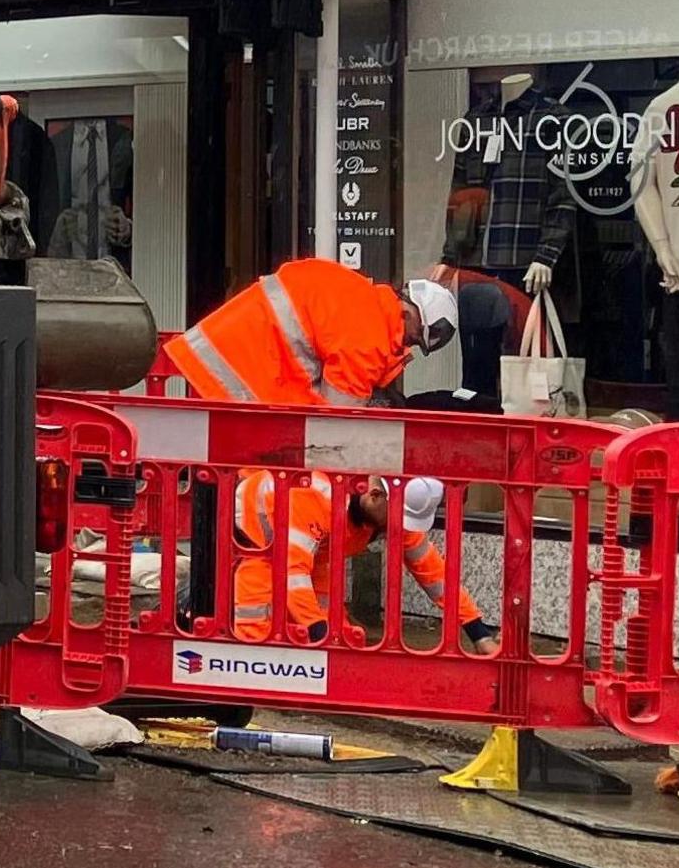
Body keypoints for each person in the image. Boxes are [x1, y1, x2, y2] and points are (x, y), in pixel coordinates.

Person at [164, 260, 481, 647]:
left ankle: (239, 630)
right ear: (408, 315)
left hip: (238, 370)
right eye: (414, 339)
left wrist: (476, 629)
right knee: (258, 571)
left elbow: (427, 565)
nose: (407, 347)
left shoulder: (364, 307)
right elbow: (336, 430)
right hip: (243, 380)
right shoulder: (370, 338)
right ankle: (238, 643)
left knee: (280, 555)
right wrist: (317, 631)